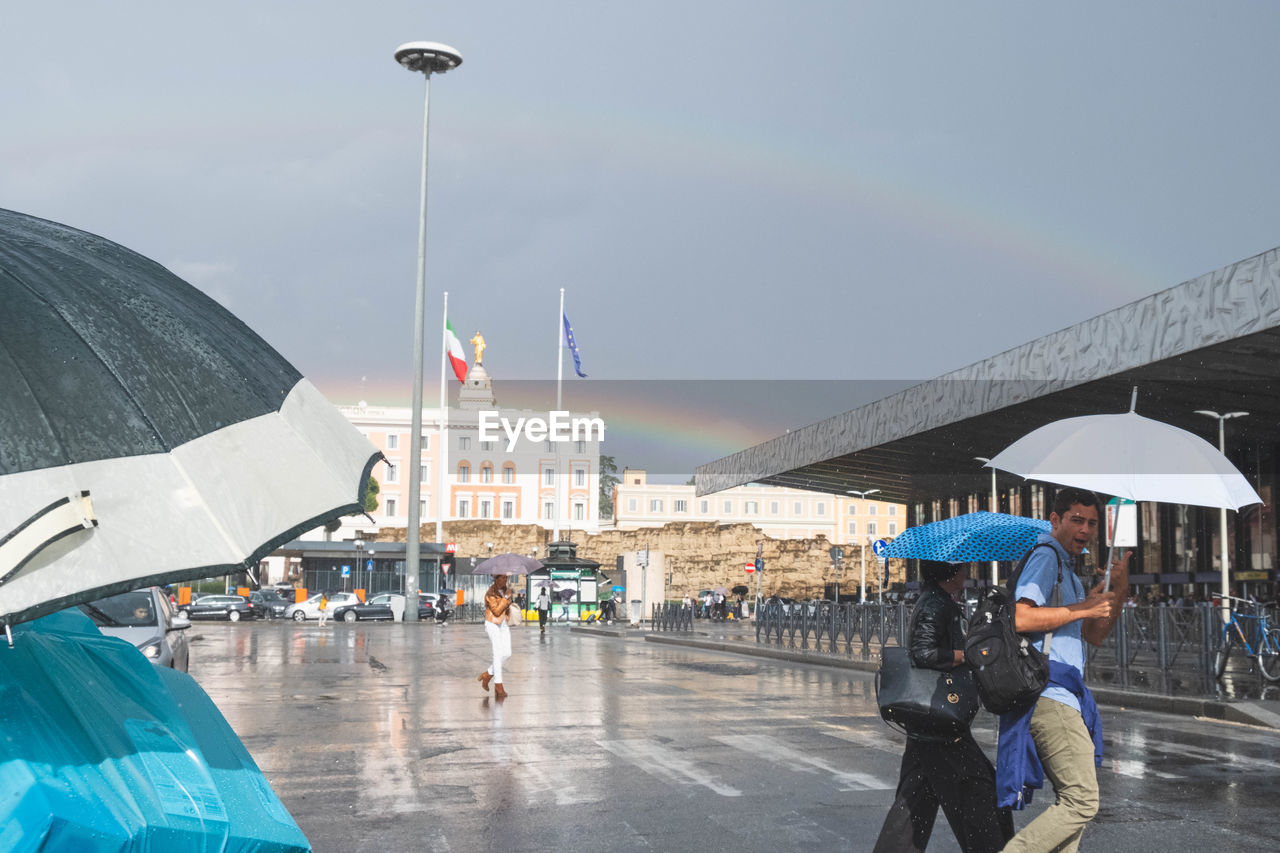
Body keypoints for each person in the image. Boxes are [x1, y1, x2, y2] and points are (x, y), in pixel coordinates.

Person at [999, 488, 1128, 853]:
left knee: (1072, 811)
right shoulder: (1047, 557)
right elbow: (1022, 617)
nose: (1085, 530)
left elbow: (1094, 634)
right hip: (1049, 694)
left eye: (1091, 523)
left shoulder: (1068, 570)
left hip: (1066, 695)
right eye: (1076, 520)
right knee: (1082, 800)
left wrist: (1119, 589)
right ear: (1055, 520)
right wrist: (1084, 608)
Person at [873, 561, 1012, 853]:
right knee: (978, 787)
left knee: (915, 800)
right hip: (937, 717)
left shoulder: (938, 600)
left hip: (928, 719)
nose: (966, 573)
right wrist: (965, 655)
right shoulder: (936, 604)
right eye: (962, 569)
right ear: (950, 574)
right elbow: (923, 652)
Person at [478, 574, 513, 699]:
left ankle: (488, 674)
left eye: (506, 578)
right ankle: (498, 685)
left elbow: (505, 608)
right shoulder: (490, 593)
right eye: (502, 578)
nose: (505, 580)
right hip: (492, 623)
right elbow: (496, 611)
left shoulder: (506, 591)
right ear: (496, 579)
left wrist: (508, 599)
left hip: (503, 624)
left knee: (507, 653)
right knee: (497, 653)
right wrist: (506, 599)